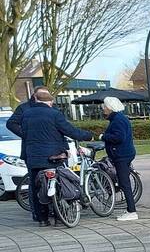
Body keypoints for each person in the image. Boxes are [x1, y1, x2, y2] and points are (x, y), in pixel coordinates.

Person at [7, 88, 92, 226]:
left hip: (33, 156)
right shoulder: (54, 114)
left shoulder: (26, 113)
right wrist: (87, 135)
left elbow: (12, 124)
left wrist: (25, 135)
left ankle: (42, 219)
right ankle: (60, 217)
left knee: (36, 187)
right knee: (59, 183)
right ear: (49, 101)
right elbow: (69, 131)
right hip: (53, 156)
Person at [100, 97, 138, 222]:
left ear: (110, 108)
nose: (103, 108)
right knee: (124, 182)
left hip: (121, 155)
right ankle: (130, 209)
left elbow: (119, 137)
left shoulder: (117, 120)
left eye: (105, 107)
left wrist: (104, 136)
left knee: (124, 183)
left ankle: (132, 211)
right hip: (124, 153)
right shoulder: (119, 118)